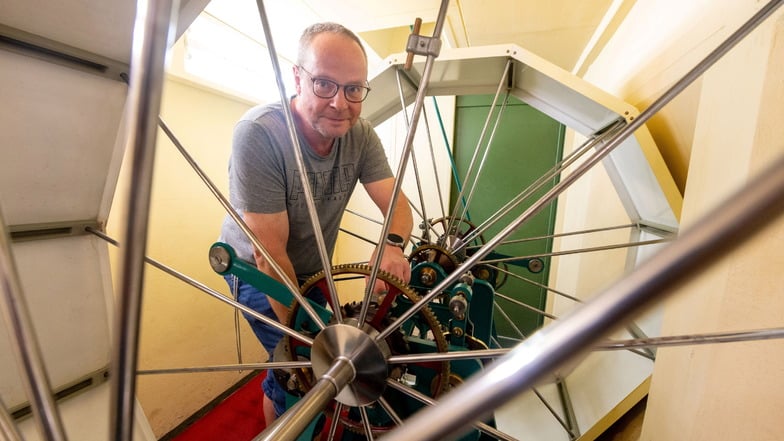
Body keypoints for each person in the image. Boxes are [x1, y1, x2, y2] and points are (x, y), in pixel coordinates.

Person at [218, 22, 413, 424]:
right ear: (297, 78)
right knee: (302, 370)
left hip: (311, 268)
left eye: (354, 88)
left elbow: (398, 206)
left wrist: (391, 245)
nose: (340, 103)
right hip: (258, 271)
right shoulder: (260, 134)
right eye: (324, 84)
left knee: (311, 359)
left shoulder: (360, 134)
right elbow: (268, 255)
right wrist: (312, 342)